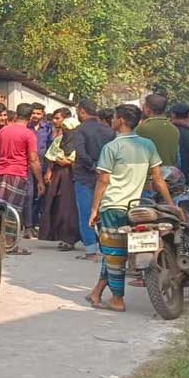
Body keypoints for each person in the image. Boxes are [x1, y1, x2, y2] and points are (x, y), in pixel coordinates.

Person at [85, 104, 176, 312]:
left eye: (115, 117)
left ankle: (117, 299)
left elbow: (103, 180)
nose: (112, 120)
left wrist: (94, 208)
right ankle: (96, 292)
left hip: (112, 206)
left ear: (122, 121)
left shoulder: (111, 148)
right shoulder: (147, 145)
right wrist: (171, 205)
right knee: (113, 252)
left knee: (114, 254)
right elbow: (158, 179)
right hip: (136, 207)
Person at [0, 103, 46, 255]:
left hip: (2, 172)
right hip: (18, 173)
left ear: (16, 114)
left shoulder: (4, 130)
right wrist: (40, 181)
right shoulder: (29, 134)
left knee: (1, 209)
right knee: (14, 211)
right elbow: (33, 159)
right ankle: (10, 245)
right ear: (30, 117)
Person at [72, 99, 115, 261]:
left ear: (82, 111)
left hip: (84, 176)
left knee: (86, 213)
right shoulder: (108, 131)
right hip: (106, 176)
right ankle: (107, 248)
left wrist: (92, 166)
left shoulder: (81, 130)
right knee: (104, 213)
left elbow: (81, 153)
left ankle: (91, 250)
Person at [39, 108, 80, 251]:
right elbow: (51, 156)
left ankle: (70, 238)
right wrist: (49, 171)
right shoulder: (58, 140)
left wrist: (69, 163)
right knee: (57, 206)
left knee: (69, 208)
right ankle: (59, 236)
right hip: (58, 176)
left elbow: (80, 160)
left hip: (72, 176)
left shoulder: (80, 142)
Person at [137, 93, 180, 177]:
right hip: (168, 178)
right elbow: (177, 159)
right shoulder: (174, 129)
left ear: (147, 109)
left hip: (149, 180)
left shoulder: (142, 128)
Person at [28, 102, 52, 233]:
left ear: (43, 114)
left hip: (43, 167)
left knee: (41, 196)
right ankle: (28, 224)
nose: (35, 116)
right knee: (29, 195)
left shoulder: (48, 129)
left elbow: (51, 147)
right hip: (28, 167)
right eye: (33, 113)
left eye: (38, 113)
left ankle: (36, 223)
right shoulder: (26, 127)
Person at [170, 102, 189, 176]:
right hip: (186, 176)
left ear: (173, 114)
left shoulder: (168, 131)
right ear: (188, 115)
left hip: (169, 175)